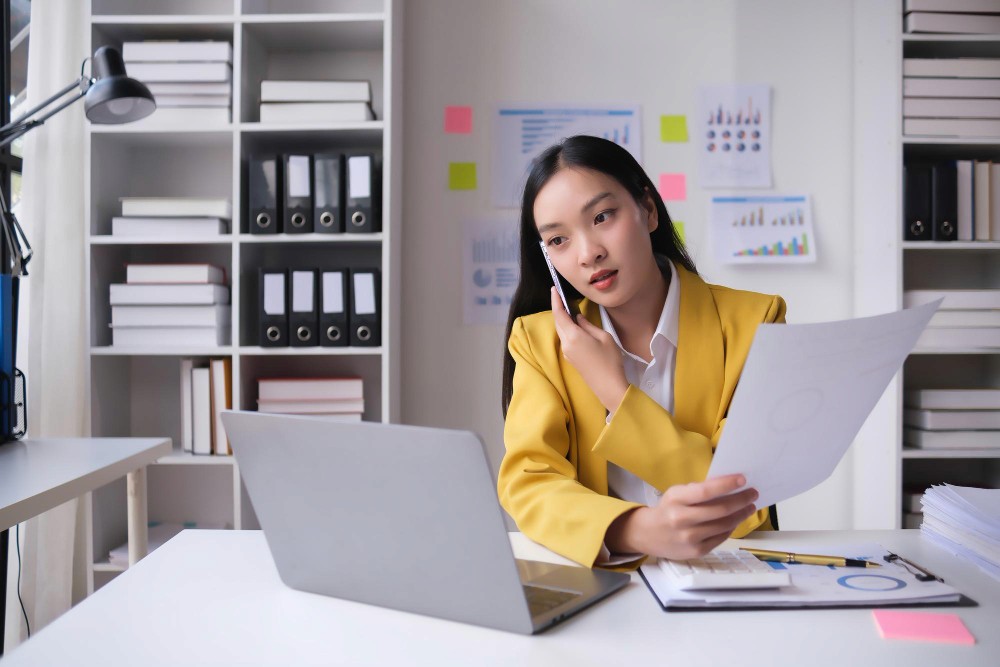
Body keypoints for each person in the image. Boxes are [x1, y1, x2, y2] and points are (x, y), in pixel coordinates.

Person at [497, 135, 786, 568]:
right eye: (558, 241)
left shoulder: (755, 321)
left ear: (648, 210)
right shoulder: (539, 342)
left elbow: (743, 501)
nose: (589, 252)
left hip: (731, 580)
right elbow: (531, 484)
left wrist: (615, 391)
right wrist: (637, 530)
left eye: (602, 216)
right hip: (603, 586)